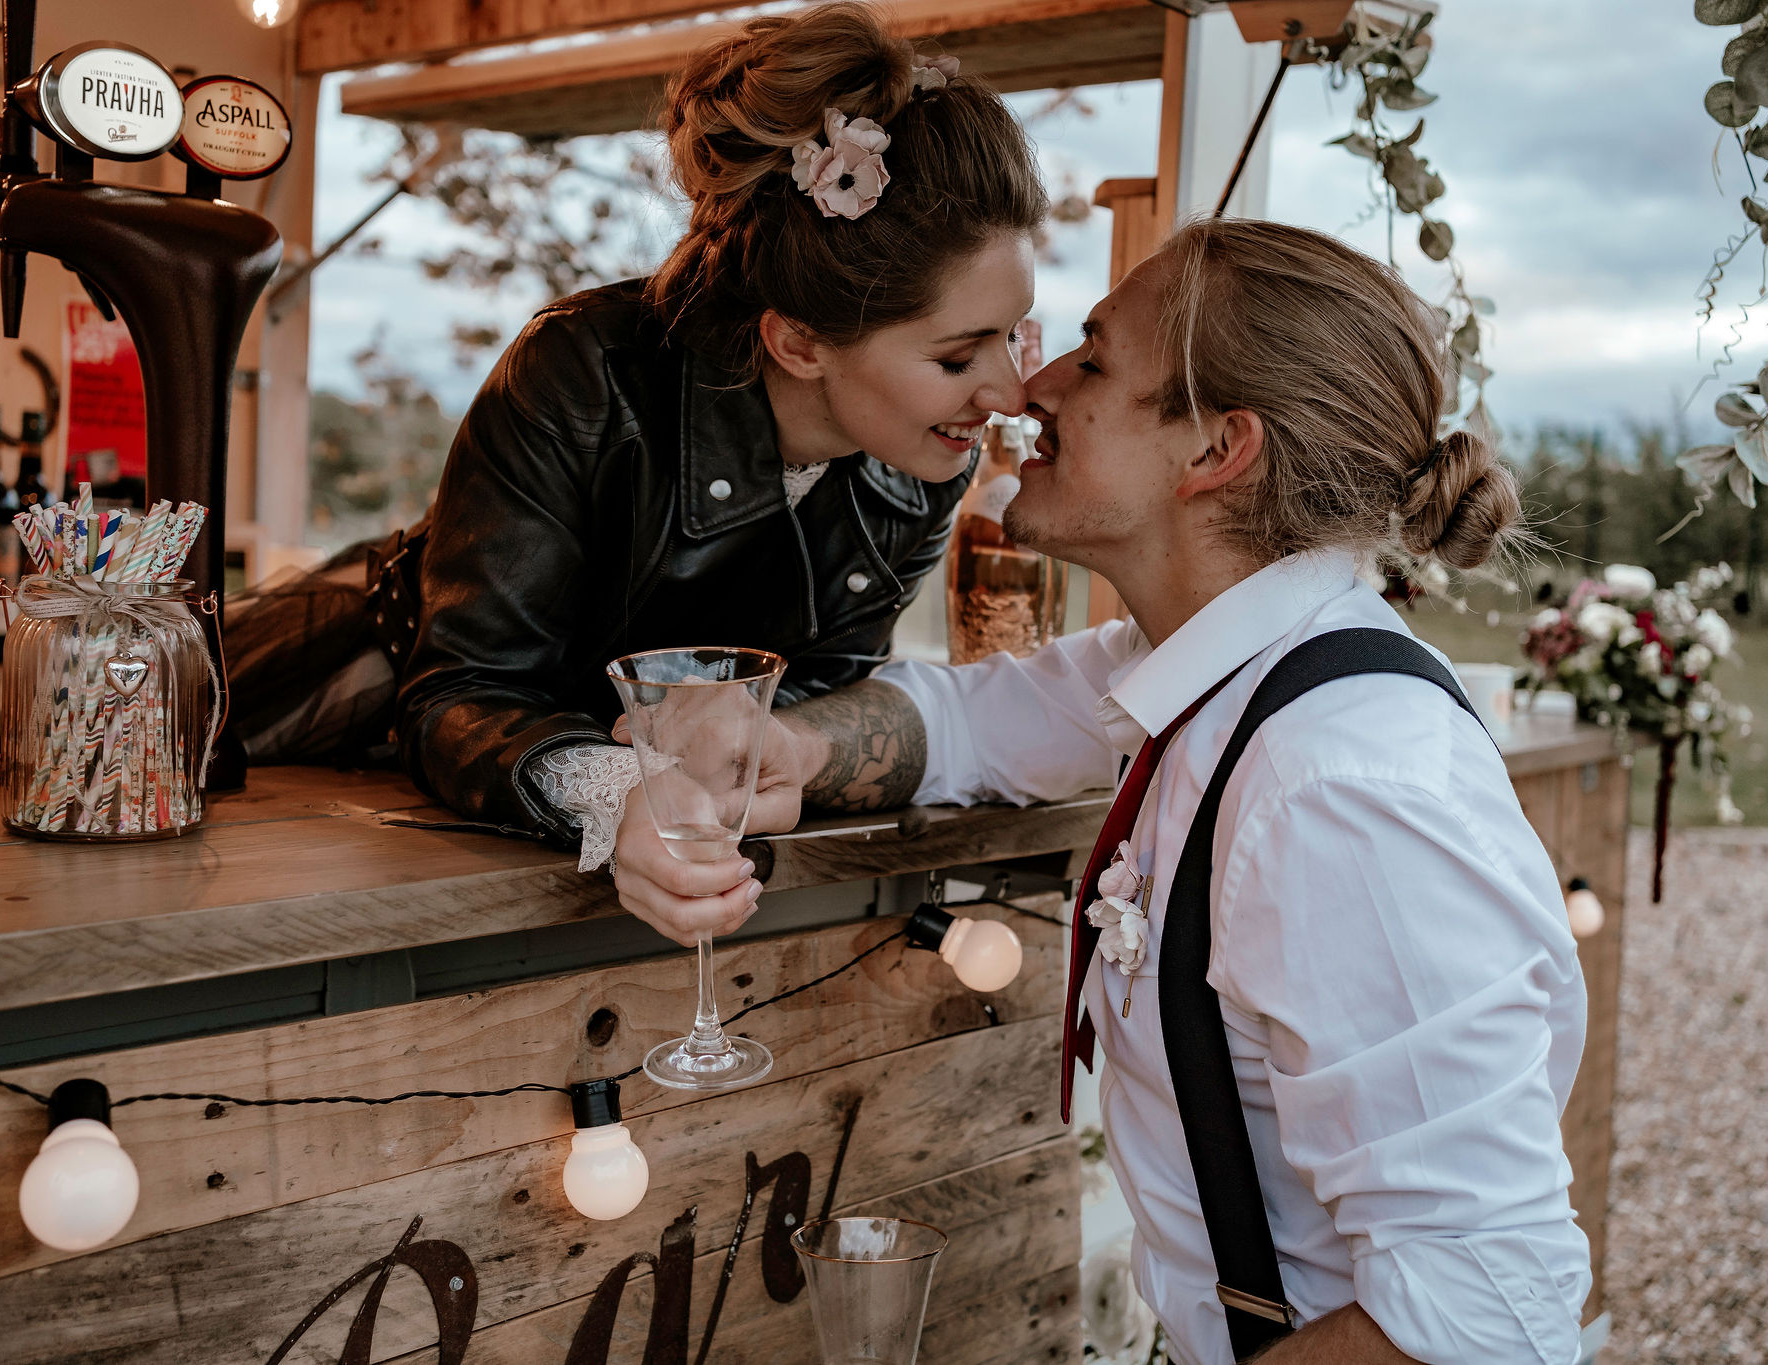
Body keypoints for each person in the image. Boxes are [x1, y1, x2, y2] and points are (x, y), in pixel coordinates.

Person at [613, 218, 1592, 1364]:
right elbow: (976, 720)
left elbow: (1487, 1317)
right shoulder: (1210, 663)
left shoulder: (1336, 788)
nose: (1031, 385)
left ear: (1216, 451)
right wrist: (789, 749)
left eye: (1091, 356)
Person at [226, 3, 1046, 867]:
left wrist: (727, 767)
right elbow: (467, 688)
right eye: (958, 358)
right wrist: (621, 794)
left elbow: (824, 684)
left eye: (1013, 332)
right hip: (337, 713)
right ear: (799, 343)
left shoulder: (927, 460)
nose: (1009, 390)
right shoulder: (581, 371)